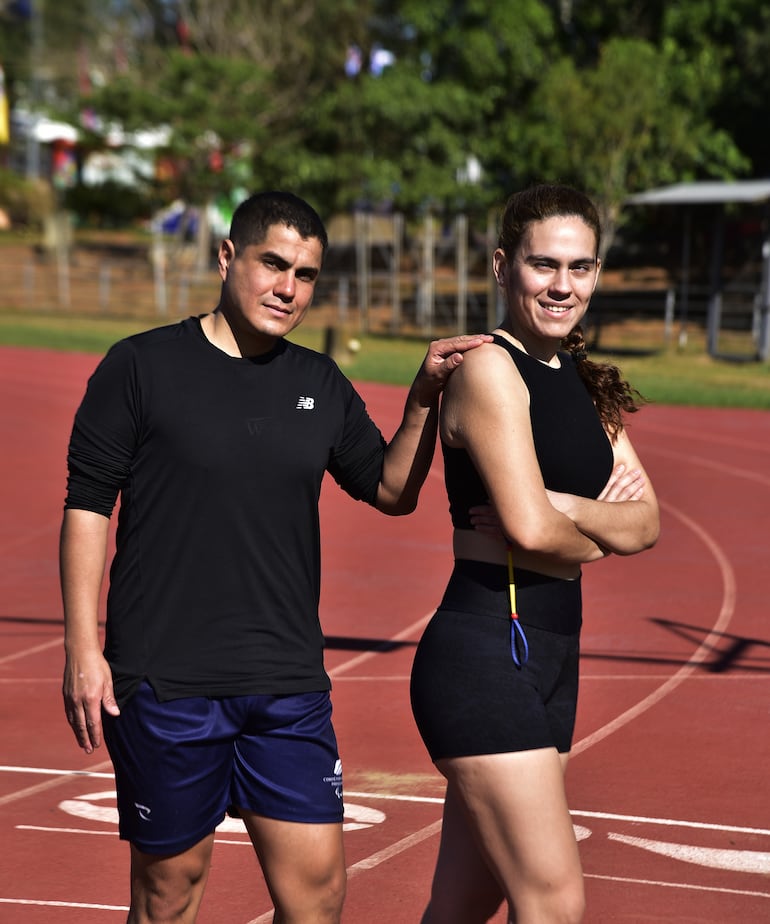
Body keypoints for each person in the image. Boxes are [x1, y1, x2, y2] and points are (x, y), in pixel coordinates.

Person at [60, 190, 490, 924]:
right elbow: (88, 507)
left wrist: (421, 397)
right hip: (167, 678)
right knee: (170, 890)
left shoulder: (318, 383)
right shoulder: (139, 367)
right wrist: (82, 646)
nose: (288, 287)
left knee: (318, 895)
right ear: (228, 257)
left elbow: (390, 489)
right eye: (273, 264)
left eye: (307, 274)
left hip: (286, 682)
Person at [409, 183, 660, 923]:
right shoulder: (489, 369)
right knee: (552, 902)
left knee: (462, 904)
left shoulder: (588, 389)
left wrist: (569, 509)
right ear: (501, 266)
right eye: (543, 264)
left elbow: (645, 521)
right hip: (485, 648)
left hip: (552, 652)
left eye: (580, 267)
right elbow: (526, 531)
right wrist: (593, 529)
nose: (562, 285)